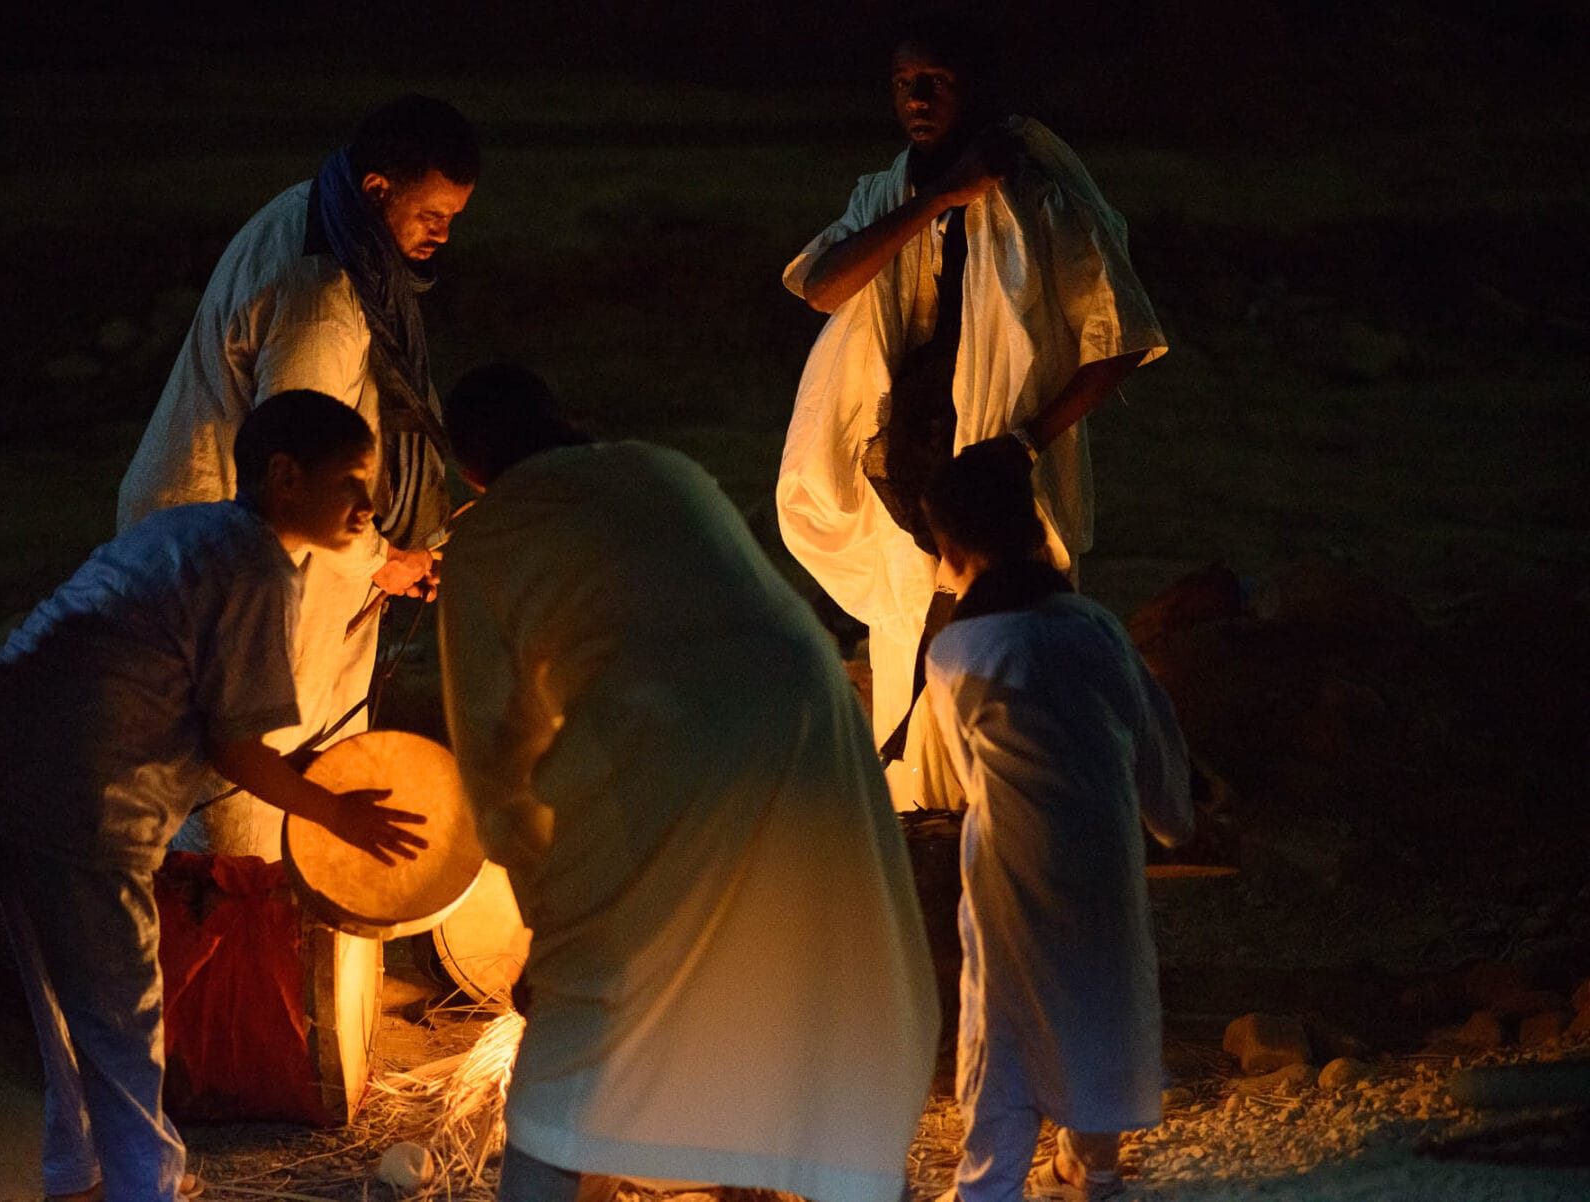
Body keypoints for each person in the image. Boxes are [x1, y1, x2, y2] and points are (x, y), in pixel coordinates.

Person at [435, 363, 939, 1202]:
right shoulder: (660, 467)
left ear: (471, 471)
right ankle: (785, 1170)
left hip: (667, 738)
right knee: (798, 968)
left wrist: (546, 925)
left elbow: (497, 752)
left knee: (579, 1025)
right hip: (808, 718)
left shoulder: (487, 536)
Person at [0, 391, 432, 1202]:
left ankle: (76, 1175)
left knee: (66, 1009)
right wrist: (339, 814)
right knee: (124, 1021)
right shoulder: (253, 566)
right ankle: (147, 1186)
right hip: (82, 792)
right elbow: (237, 750)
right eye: (351, 481)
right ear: (285, 476)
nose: (369, 505)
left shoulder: (195, 532)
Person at [777, 9, 1168, 810]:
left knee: (1003, 647)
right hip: (911, 468)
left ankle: (1007, 817)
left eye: (936, 83)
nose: (915, 99)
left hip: (997, 469)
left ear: (976, 88)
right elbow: (823, 287)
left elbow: (1121, 337)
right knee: (905, 649)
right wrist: (942, 199)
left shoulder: (1040, 195)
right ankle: (924, 825)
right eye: (902, 85)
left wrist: (1022, 445)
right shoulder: (889, 193)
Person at [117, 94, 478, 856]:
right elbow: (302, 478)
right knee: (248, 776)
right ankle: (232, 946)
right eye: (432, 214)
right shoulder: (324, 295)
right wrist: (384, 559)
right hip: (236, 548)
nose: (443, 235)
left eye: (454, 215)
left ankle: (251, 942)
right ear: (378, 190)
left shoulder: (320, 212)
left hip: (230, 536)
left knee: (250, 759)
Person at [919, 438, 1194, 1202]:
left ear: (954, 547)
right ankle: (1095, 1170)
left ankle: (988, 1185)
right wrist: (1172, 820)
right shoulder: (1094, 625)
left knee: (1002, 1025)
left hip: (1018, 867)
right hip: (1104, 854)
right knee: (1097, 1005)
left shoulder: (960, 651)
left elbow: (976, 779)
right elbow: (1152, 733)